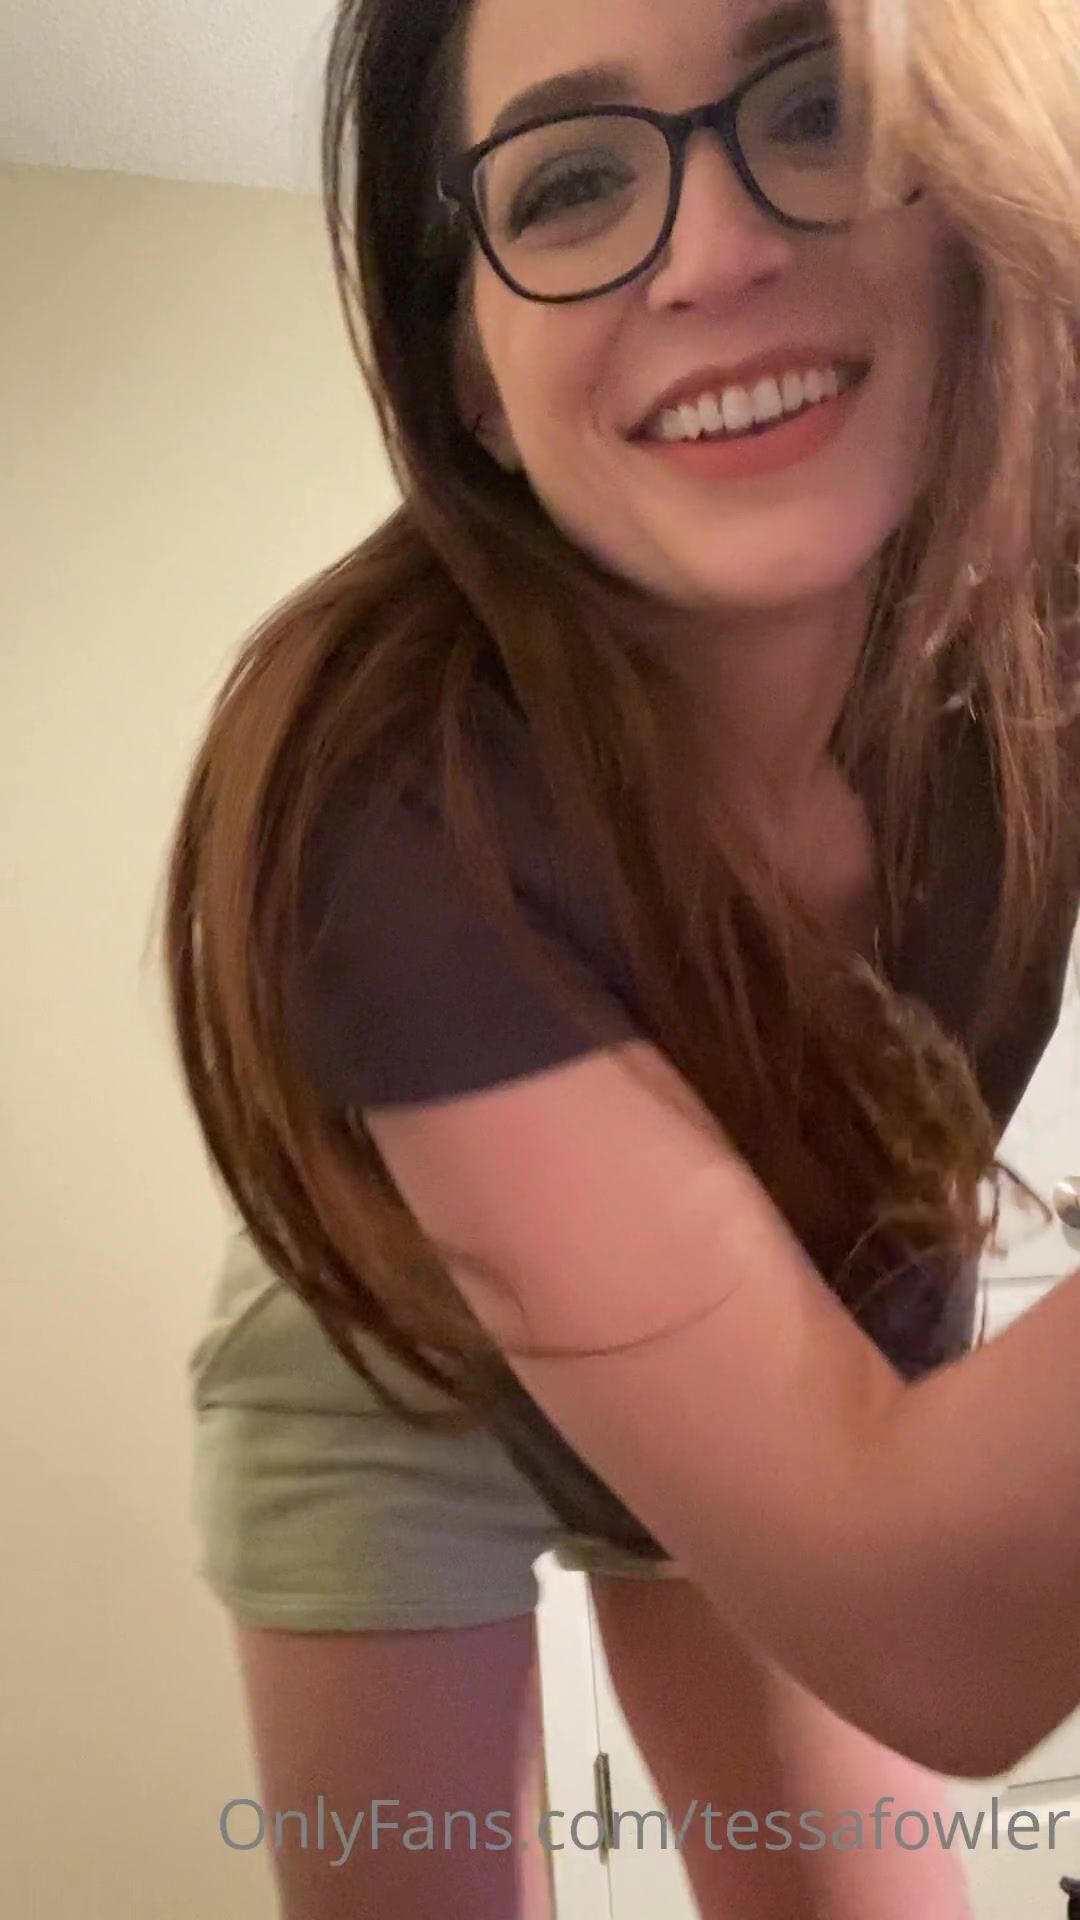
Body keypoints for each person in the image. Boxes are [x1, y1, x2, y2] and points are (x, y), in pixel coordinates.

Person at [163, 0, 1080, 1912]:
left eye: (816, 107)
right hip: (387, 1352)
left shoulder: (1041, 643)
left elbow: (909, 1579)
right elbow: (935, 1627)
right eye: (571, 181)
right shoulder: (386, 798)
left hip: (809, 1305)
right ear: (474, 380)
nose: (714, 251)